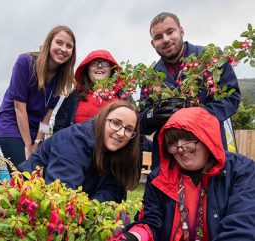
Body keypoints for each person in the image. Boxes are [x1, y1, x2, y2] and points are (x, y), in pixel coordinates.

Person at [122, 107, 255, 241]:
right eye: (173, 142)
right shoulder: (159, 178)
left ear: (206, 138)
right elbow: (152, 222)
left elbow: (241, 229)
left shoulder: (241, 171)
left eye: (188, 139)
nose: (180, 148)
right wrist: (134, 236)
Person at [140, 12, 240, 169]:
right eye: (158, 37)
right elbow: (143, 123)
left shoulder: (209, 60)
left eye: (170, 31)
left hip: (208, 151)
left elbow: (231, 98)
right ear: (153, 43)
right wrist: (152, 115)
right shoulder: (150, 78)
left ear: (181, 31)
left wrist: (198, 114)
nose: (165, 39)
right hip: (169, 159)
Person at [18, 101, 141, 203]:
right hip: (30, 198)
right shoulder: (73, 142)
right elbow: (60, 194)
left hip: (77, 202)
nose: (121, 133)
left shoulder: (118, 150)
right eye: (116, 123)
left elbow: (112, 189)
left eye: (129, 129)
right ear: (103, 119)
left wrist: (94, 206)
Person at [0, 25, 76, 168]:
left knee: (39, 175)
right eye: (59, 42)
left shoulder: (61, 78)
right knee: (24, 173)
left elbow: (46, 117)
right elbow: (19, 107)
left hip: (34, 130)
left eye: (69, 46)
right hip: (12, 124)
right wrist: (27, 145)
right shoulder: (25, 62)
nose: (63, 49)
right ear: (49, 43)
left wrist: (37, 142)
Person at [53, 50, 121, 132]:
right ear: (87, 70)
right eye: (94, 63)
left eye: (105, 63)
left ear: (112, 70)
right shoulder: (73, 97)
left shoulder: (123, 96)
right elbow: (60, 129)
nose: (99, 66)